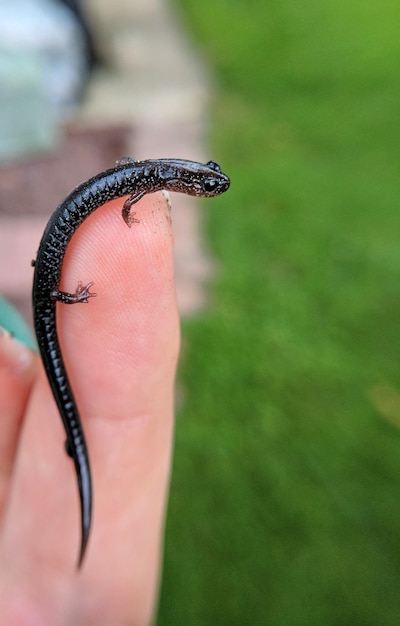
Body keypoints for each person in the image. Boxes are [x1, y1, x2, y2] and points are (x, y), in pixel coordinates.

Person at [0, 193, 178, 625]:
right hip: (50, 287)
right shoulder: (140, 183)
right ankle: (72, 445)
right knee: (56, 370)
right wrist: (69, 297)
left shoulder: (142, 178)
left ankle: (73, 445)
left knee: (61, 378)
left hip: (50, 279)